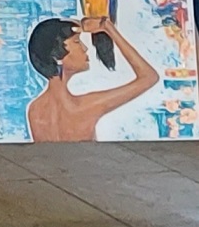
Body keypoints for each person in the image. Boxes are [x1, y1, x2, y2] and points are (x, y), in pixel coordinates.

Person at [25, 16, 159, 142]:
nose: (85, 48)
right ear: (56, 56)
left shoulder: (34, 110)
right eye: (77, 42)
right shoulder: (84, 107)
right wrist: (108, 28)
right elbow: (149, 77)